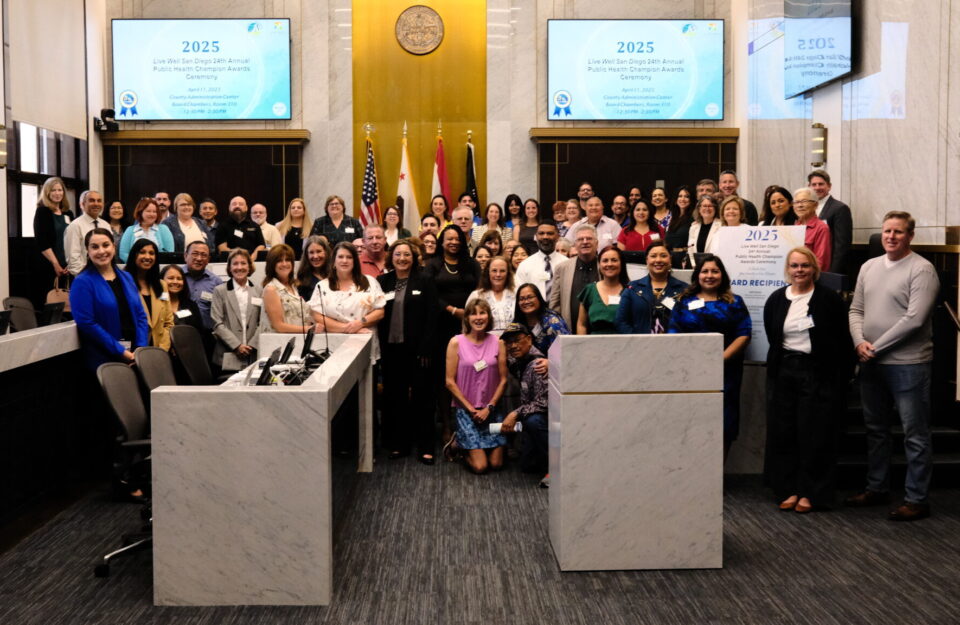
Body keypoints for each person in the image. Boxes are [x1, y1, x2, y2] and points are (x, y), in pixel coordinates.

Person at [846, 211, 940, 522]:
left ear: (910, 236)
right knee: (876, 431)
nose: (891, 236)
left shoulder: (922, 269)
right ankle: (877, 488)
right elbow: (856, 309)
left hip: (908, 365)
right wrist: (860, 342)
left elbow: (914, 319)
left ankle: (916, 499)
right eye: (887, 231)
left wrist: (874, 349)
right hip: (871, 361)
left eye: (898, 232)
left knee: (914, 433)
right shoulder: (869, 266)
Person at [763, 247, 852, 514]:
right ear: (787, 270)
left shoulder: (828, 300)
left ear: (814, 268)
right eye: (794, 266)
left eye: (804, 266)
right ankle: (788, 488)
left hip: (818, 373)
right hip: (785, 372)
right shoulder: (777, 299)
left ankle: (812, 492)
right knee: (785, 431)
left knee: (815, 432)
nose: (799, 271)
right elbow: (773, 335)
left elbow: (841, 339)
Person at [668, 254, 751, 457]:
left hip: (726, 372)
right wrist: (694, 360)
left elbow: (744, 334)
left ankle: (717, 478)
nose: (710, 275)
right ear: (697, 275)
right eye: (705, 271)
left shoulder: (735, 302)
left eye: (715, 271)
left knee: (724, 421)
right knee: (691, 420)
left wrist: (720, 358)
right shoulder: (682, 302)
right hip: (690, 371)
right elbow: (673, 333)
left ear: (722, 275)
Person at [377, 239, 439, 464]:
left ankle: (426, 446)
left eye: (407, 255)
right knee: (396, 397)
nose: (402, 258)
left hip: (419, 351)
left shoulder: (425, 280)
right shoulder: (382, 281)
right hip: (391, 350)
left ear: (414, 258)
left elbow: (433, 317)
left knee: (423, 398)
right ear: (391, 258)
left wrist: (427, 347)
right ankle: (399, 444)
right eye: (397, 254)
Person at [423, 225, 482, 442]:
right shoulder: (433, 265)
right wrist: (452, 310)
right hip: (441, 327)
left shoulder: (472, 264)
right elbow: (429, 294)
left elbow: (480, 289)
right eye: (449, 239)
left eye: (457, 239)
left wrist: (468, 314)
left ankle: (467, 422)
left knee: (470, 375)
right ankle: (447, 424)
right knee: (445, 377)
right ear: (441, 242)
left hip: (470, 327)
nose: (454, 242)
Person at [69, 228, 149, 370]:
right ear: (87, 251)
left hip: (135, 355)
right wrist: (121, 352)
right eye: (94, 247)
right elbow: (87, 323)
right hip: (104, 359)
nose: (101, 251)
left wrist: (140, 348)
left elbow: (141, 315)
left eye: (106, 245)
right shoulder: (82, 282)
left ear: (114, 246)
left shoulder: (127, 277)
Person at [445, 299, 509, 474]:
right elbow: (449, 381)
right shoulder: (455, 342)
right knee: (481, 467)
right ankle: (459, 444)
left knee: (496, 464)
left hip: (492, 410)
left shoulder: (498, 342)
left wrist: (489, 407)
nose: (478, 317)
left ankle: (475, 446)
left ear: (489, 317)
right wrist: (471, 409)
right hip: (466, 411)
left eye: (482, 313)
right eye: (474, 313)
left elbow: (504, 380)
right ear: (467, 318)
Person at [309, 241, 386, 361]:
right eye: (340, 257)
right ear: (334, 261)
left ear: (355, 261)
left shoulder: (370, 282)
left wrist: (360, 323)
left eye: (349, 257)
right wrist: (347, 328)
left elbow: (380, 311)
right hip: (333, 347)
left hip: (364, 343)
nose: (344, 261)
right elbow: (317, 315)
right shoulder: (322, 286)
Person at [500, 323, 549, 480]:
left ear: (529, 339)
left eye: (517, 340)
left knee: (533, 420)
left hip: (548, 418)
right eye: (509, 342)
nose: (513, 346)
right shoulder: (519, 361)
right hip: (533, 419)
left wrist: (515, 413)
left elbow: (544, 403)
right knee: (527, 466)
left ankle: (556, 466)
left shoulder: (538, 365)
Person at [616, 241, 688, 334]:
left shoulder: (684, 290)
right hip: (639, 345)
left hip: (674, 345)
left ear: (670, 260)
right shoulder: (632, 289)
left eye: (663, 256)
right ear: (647, 260)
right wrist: (636, 342)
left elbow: (689, 322)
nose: (658, 260)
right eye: (653, 256)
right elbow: (621, 322)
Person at [211, 248, 262, 372]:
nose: (239, 267)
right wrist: (237, 346)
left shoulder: (259, 290)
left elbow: (263, 322)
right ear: (229, 268)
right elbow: (217, 323)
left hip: (253, 354)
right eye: (235, 263)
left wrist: (251, 345)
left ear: (249, 267)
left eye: (243, 263)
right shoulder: (220, 291)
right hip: (227, 354)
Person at [124, 238, 174, 350]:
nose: (147, 257)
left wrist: (163, 347)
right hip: (132, 350)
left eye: (152, 253)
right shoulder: (123, 283)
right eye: (142, 252)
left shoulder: (162, 285)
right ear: (134, 255)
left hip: (159, 350)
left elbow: (168, 322)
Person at [32, 177, 74, 307]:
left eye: (60, 190)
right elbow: (42, 241)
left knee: (69, 302)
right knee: (51, 302)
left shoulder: (69, 213)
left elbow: (73, 239)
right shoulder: (42, 211)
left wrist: (70, 263)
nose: (57, 193)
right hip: (49, 265)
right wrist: (56, 264)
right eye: (53, 190)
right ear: (47, 193)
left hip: (68, 265)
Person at [551, 223, 599, 330]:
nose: (585, 242)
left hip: (600, 332)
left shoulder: (605, 266)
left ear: (597, 243)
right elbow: (555, 304)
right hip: (569, 331)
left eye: (589, 238)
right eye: (581, 239)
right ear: (575, 244)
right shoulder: (562, 268)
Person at [260, 244, 313, 334]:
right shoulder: (271, 290)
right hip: (278, 344)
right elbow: (279, 326)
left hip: (296, 341)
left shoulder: (293, 287)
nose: (284, 264)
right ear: (272, 264)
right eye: (279, 261)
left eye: (287, 260)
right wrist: (309, 329)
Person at [808, 169, 852, 274]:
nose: (817, 188)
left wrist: (832, 274)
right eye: (814, 184)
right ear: (809, 186)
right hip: (809, 268)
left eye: (821, 184)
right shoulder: (806, 209)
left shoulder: (840, 208)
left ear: (829, 186)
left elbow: (842, 246)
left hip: (828, 269)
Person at [576, 245, 628, 335]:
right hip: (594, 346)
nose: (609, 264)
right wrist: (582, 347)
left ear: (621, 264)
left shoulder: (630, 291)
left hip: (623, 345)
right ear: (599, 265)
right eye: (605, 261)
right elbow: (582, 324)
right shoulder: (589, 290)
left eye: (614, 260)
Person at [515, 219, 568, 303]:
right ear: (536, 236)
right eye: (541, 233)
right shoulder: (525, 265)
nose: (545, 237)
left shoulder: (567, 264)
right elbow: (519, 295)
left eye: (550, 233)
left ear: (558, 237)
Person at [513, 283, 570, 356]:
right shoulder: (517, 323)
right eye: (522, 299)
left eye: (530, 297)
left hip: (553, 365)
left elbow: (565, 350)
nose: (526, 302)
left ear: (539, 298)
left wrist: (549, 363)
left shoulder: (553, 321)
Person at [466, 256, 515, 335]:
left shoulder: (516, 294)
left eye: (502, 271)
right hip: (485, 343)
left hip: (513, 343)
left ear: (508, 273)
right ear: (488, 272)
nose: (498, 274)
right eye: (494, 271)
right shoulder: (476, 296)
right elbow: (467, 324)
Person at [118, 197, 174, 263]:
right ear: (140, 212)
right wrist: (138, 263)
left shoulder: (164, 229)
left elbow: (170, 253)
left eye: (154, 212)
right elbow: (123, 254)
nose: (152, 214)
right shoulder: (130, 230)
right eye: (148, 211)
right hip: (134, 269)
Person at [182, 240, 222, 331]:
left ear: (208, 260)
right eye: (195, 254)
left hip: (207, 334)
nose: (199, 258)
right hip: (178, 333)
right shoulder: (176, 278)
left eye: (204, 255)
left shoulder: (216, 282)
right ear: (185, 256)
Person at [64, 190, 106, 275]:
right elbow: (73, 259)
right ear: (83, 204)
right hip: (85, 276)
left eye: (99, 201)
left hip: (104, 275)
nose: (96, 204)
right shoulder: (75, 226)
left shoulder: (106, 225)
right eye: (91, 200)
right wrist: (85, 277)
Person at [792, 187, 832, 271]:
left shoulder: (821, 228)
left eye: (804, 201)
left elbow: (821, 262)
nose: (800, 205)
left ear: (815, 205)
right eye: (796, 202)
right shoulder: (795, 226)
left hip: (809, 279)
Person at [160, 264, 205, 334]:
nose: (175, 282)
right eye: (171, 278)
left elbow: (199, 332)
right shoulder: (156, 304)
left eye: (179, 279)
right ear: (161, 280)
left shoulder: (191, 305)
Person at [686, 195, 722, 266]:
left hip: (715, 266)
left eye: (710, 206)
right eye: (704, 206)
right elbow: (690, 250)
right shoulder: (693, 227)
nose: (707, 208)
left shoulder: (721, 226)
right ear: (699, 209)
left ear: (715, 209)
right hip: (697, 267)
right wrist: (693, 266)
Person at [295, 235, 331, 301]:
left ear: (326, 252)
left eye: (319, 251)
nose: (315, 256)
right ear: (306, 255)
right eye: (311, 252)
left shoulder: (335, 274)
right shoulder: (302, 278)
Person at [665, 186, 694, 258]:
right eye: (680, 196)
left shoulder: (694, 218)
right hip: (670, 256)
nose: (683, 199)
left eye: (686, 196)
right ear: (675, 199)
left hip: (685, 257)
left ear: (691, 200)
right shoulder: (672, 218)